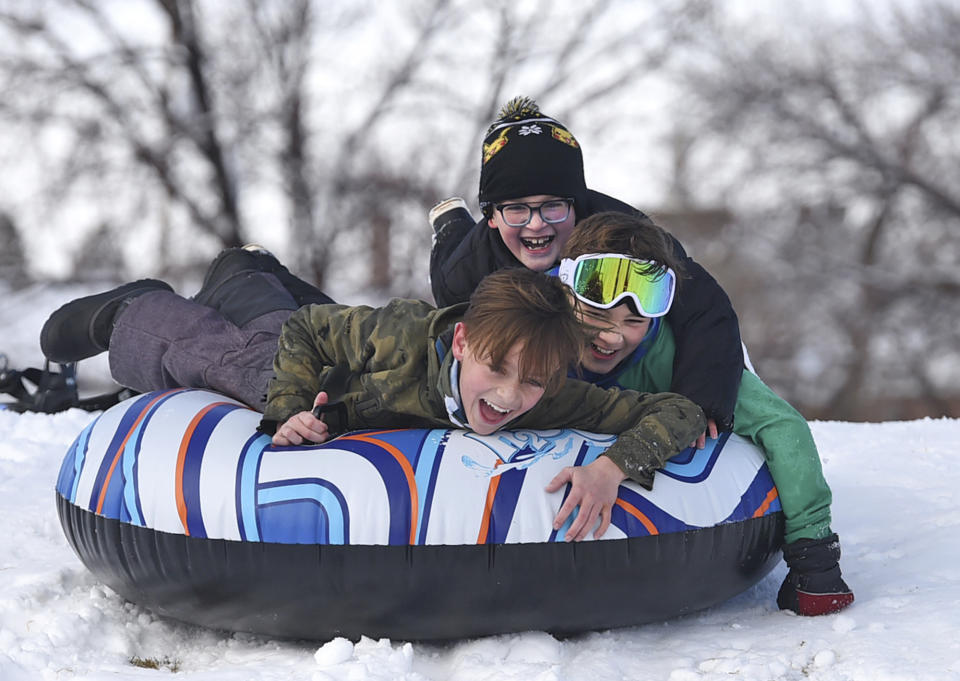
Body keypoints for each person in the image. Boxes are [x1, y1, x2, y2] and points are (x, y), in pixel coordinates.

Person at [40, 249, 707, 531]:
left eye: (533, 382)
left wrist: (616, 467)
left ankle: (248, 269)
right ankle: (131, 310)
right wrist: (289, 407)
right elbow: (309, 333)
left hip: (308, 322)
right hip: (306, 361)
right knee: (240, 361)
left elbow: (678, 410)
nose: (508, 396)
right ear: (463, 342)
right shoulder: (402, 337)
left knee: (262, 302)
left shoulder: (552, 393)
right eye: (498, 369)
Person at [550, 210, 855, 617]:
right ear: (565, 293)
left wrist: (814, 556)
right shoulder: (539, 338)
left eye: (634, 320)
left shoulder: (678, 359)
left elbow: (783, 426)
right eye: (596, 315)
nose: (611, 336)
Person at [429, 95, 744, 440]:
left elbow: (707, 306)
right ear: (491, 216)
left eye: (552, 207)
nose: (536, 225)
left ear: (577, 207)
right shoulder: (465, 271)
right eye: (518, 209)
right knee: (452, 246)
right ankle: (451, 220)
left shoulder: (627, 239)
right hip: (473, 256)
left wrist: (701, 400)